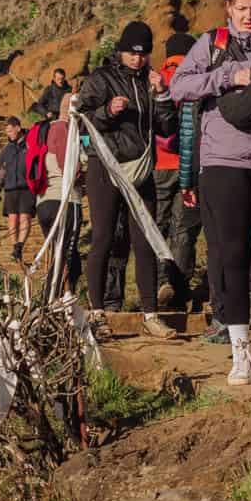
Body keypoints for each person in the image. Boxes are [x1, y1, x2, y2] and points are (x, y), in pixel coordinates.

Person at [170, 0, 251, 386]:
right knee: (233, 257)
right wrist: (229, 76)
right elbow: (179, 87)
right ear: (229, 9)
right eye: (241, 8)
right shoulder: (211, 43)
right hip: (223, 162)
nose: (249, 15)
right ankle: (241, 352)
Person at [75, 21, 178, 337]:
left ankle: (150, 316)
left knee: (144, 239)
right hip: (105, 167)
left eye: (143, 53)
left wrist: (161, 96)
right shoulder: (101, 79)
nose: (137, 59)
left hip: (141, 171)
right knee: (103, 238)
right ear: (120, 51)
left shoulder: (150, 82)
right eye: (132, 53)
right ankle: (97, 314)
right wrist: (107, 110)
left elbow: (165, 129)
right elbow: (82, 122)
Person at [149, 33, 201, 309]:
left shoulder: (155, 79)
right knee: (183, 232)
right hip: (188, 166)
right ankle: (180, 293)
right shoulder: (196, 79)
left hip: (158, 165)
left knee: (157, 226)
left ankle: (160, 283)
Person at [33, 99, 84, 292]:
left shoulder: (45, 130)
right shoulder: (63, 130)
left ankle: (62, 299)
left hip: (45, 201)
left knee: (64, 258)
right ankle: (49, 300)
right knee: (64, 259)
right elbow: (71, 169)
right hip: (64, 201)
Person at [0, 117, 36, 262]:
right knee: (12, 219)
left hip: (27, 188)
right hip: (10, 188)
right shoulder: (7, 149)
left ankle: (20, 247)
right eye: (7, 132)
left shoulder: (30, 144)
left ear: (18, 128)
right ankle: (14, 246)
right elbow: (2, 170)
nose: (8, 134)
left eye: (10, 131)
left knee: (25, 217)